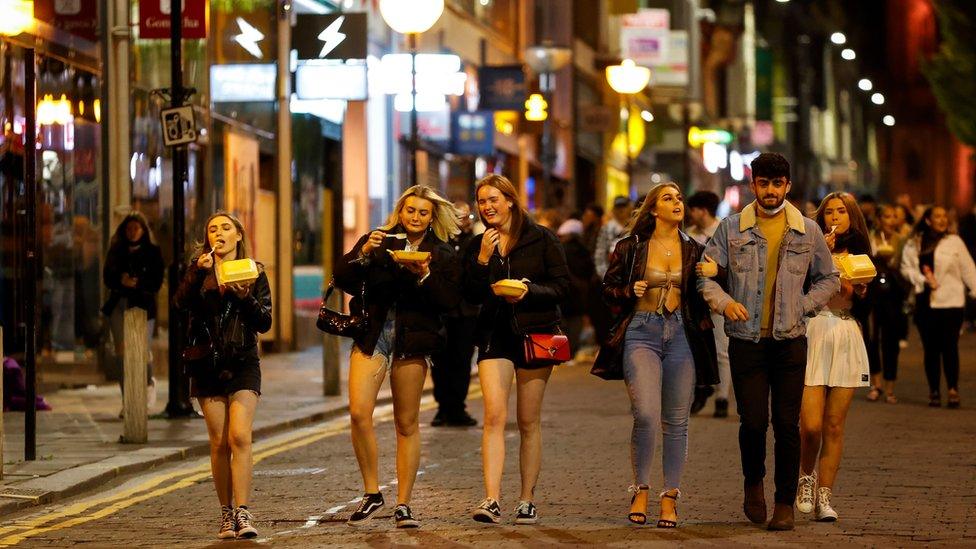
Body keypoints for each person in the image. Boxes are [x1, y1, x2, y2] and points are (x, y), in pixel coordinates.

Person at [698, 153, 839, 531]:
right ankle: (753, 484)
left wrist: (803, 306)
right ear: (753, 184)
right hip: (746, 342)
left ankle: (784, 503)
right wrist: (724, 303)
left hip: (790, 340)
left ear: (787, 186)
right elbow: (706, 276)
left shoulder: (807, 230)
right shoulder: (730, 228)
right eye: (764, 183)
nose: (771, 190)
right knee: (753, 421)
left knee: (787, 424)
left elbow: (829, 278)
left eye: (778, 184)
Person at [334, 185, 461, 528]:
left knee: (406, 423)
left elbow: (450, 302)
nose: (415, 217)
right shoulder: (379, 240)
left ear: (432, 217)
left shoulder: (442, 253)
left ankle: (404, 502)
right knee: (360, 412)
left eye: (423, 212)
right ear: (400, 212)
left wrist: (426, 276)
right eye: (410, 210)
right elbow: (342, 277)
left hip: (413, 339)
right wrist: (362, 252)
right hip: (373, 334)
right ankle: (372, 492)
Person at [601, 183, 718, 528]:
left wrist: (716, 274)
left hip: (682, 334)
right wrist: (628, 290)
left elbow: (712, 286)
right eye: (668, 198)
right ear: (653, 209)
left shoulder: (695, 249)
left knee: (677, 421)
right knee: (647, 414)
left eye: (679, 197)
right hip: (642, 332)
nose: (677, 202)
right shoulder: (631, 247)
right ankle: (641, 488)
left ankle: (670, 496)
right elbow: (607, 290)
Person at [463, 174, 570, 525]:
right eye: (482, 201)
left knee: (528, 420)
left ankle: (526, 499)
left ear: (510, 200)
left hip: (534, 334)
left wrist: (529, 291)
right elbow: (469, 295)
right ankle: (491, 498)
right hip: (495, 336)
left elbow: (562, 287)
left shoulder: (542, 240)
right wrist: (481, 259)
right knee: (494, 416)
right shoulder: (479, 244)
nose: (487, 206)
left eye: (493, 199)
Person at [174, 211, 272, 539]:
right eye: (213, 228)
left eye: (226, 228)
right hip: (206, 363)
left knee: (239, 436)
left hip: (243, 362)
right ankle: (226, 513)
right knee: (218, 442)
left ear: (238, 236)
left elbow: (264, 322)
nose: (219, 233)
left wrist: (244, 297)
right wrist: (194, 272)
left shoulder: (254, 271)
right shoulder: (198, 270)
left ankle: (244, 511)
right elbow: (178, 305)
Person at [795, 192, 872, 522]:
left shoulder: (860, 256)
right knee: (811, 426)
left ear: (852, 217)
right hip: (813, 332)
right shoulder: (809, 249)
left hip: (844, 333)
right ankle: (805, 478)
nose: (835, 217)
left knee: (835, 425)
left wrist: (852, 282)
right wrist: (819, 253)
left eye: (841, 211)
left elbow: (862, 300)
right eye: (829, 212)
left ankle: (825, 495)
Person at [900, 206, 976, 408]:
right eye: (937, 216)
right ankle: (934, 390)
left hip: (951, 302)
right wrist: (922, 279)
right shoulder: (914, 243)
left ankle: (953, 389)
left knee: (950, 346)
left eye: (945, 216)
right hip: (924, 303)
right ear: (927, 220)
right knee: (931, 349)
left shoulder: (954, 242)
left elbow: (969, 270)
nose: (942, 220)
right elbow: (906, 268)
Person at [102, 212, 164, 414]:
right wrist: (121, 280)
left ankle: (147, 383)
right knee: (122, 353)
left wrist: (138, 283)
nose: (131, 232)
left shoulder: (152, 252)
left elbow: (156, 281)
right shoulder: (116, 250)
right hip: (119, 305)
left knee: (140, 350)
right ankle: (127, 399)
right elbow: (107, 277)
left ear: (143, 230)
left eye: (135, 229)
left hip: (142, 306)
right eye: (128, 229)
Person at [431, 201, 479, 428]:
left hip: (467, 312)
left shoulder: (476, 243)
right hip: (442, 312)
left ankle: (458, 407)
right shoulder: (440, 243)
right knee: (440, 361)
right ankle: (442, 407)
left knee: (462, 361)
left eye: (466, 216)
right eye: (458, 216)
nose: (463, 220)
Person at [685, 190, 731, 418]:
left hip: (719, 298)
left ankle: (722, 397)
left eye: (692, 210)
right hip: (694, 300)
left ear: (701, 210)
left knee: (722, 351)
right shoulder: (688, 234)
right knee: (695, 348)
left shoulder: (724, 231)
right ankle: (701, 389)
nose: (689, 214)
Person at [864, 204, 911, 403]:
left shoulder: (902, 241)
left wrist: (892, 263)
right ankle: (876, 384)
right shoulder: (870, 238)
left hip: (893, 294)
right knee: (872, 338)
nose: (891, 220)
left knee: (891, 341)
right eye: (887, 217)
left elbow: (907, 266)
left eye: (894, 217)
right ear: (879, 219)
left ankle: (890, 386)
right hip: (873, 293)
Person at [556, 218, 596, 355]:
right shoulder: (585, 250)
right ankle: (571, 350)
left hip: (564, 292)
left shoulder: (560, 250)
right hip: (580, 293)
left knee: (564, 323)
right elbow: (590, 270)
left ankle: (563, 351)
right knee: (576, 322)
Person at [595, 196, 634, 278]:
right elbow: (600, 254)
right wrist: (605, 276)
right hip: (611, 275)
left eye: (624, 206)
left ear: (630, 208)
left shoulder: (634, 227)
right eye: (618, 207)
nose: (621, 210)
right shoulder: (607, 228)